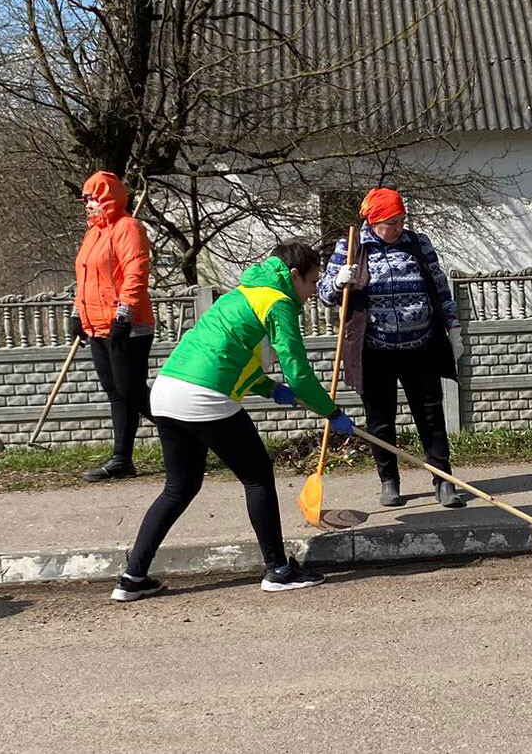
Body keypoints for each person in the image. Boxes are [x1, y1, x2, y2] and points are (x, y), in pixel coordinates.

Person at [110, 241, 356, 601]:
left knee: (179, 488)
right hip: (203, 397)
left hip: (166, 390)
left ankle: (132, 578)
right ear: (293, 276)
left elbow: (232, 358)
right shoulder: (278, 301)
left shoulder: (241, 294)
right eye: (312, 281)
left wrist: (272, 391)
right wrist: (331, 412)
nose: (313, 290)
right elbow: (299, 374)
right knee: (257, 477)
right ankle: (279, 571)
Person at [318, 186, 465, 509]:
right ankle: (389, 481)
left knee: (430, 415)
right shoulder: (352, 247)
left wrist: (453, 327)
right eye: (390, 223)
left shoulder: (418, 243)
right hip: (374, 350)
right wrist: (339, 280)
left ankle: (444, 480)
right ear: (373, 221)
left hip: (420, 345)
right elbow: (325, 294)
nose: (397, 228)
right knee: (380, 419)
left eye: (400, 221)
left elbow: (439, 287)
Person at [69, 171, 154, 482]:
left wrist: (124, 312)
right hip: (97, 325)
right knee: (115, 391)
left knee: (131, 390)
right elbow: (85, 279)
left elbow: (136, 271)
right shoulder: (92, 235)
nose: (87, 205)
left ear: (108, 199)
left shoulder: (128, 228)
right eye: (85, 199)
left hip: (127, 326)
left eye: (92, 199)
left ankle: (187, 430)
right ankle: (122, 458)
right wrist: (78, 312)